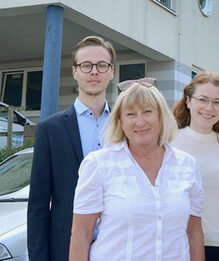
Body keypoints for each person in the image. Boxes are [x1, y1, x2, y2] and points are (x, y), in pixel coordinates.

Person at [69, 78, 204, 261]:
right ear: (121, 122)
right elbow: (81, 235)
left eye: (147, 112)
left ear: (161, 116)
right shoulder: (99, 165)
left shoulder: (187, 165)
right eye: (131, 114)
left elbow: (194, 233)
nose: (140, 122)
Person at [27, 35, 115, 261]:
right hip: (65, 247)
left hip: (117, 246)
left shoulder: (125, 125)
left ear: (111, 72)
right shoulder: (50, 129)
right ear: (75, 72)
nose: (94, 72)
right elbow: (38, 204)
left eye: (101, 65)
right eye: (86, 65)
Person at [172, 71, 219, 261]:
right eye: (202, 99)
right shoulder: (168, 145)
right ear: (188, 101)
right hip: (177, 245)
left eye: (217, 102)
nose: (209, 108)